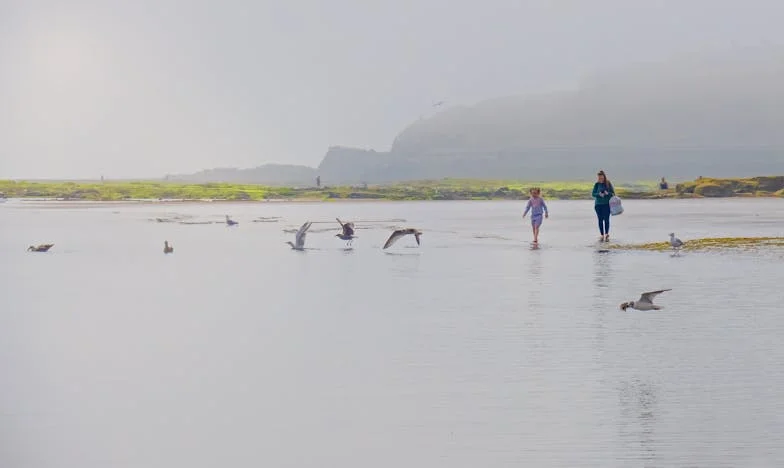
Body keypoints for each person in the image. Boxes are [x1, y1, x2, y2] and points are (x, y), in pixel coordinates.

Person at [592, 170, 614, 242]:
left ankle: (607, 233)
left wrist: (607, 193)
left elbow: (613, 193)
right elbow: (593, 194)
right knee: (600, 220)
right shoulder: (596, 184)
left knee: (606, 219)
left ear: (604, 177)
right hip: (598, 205)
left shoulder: (608, 183)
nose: (600, 179)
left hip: (607, 204)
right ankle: (602, 235)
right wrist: (599, 194)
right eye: (599, 178)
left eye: (601, 178)